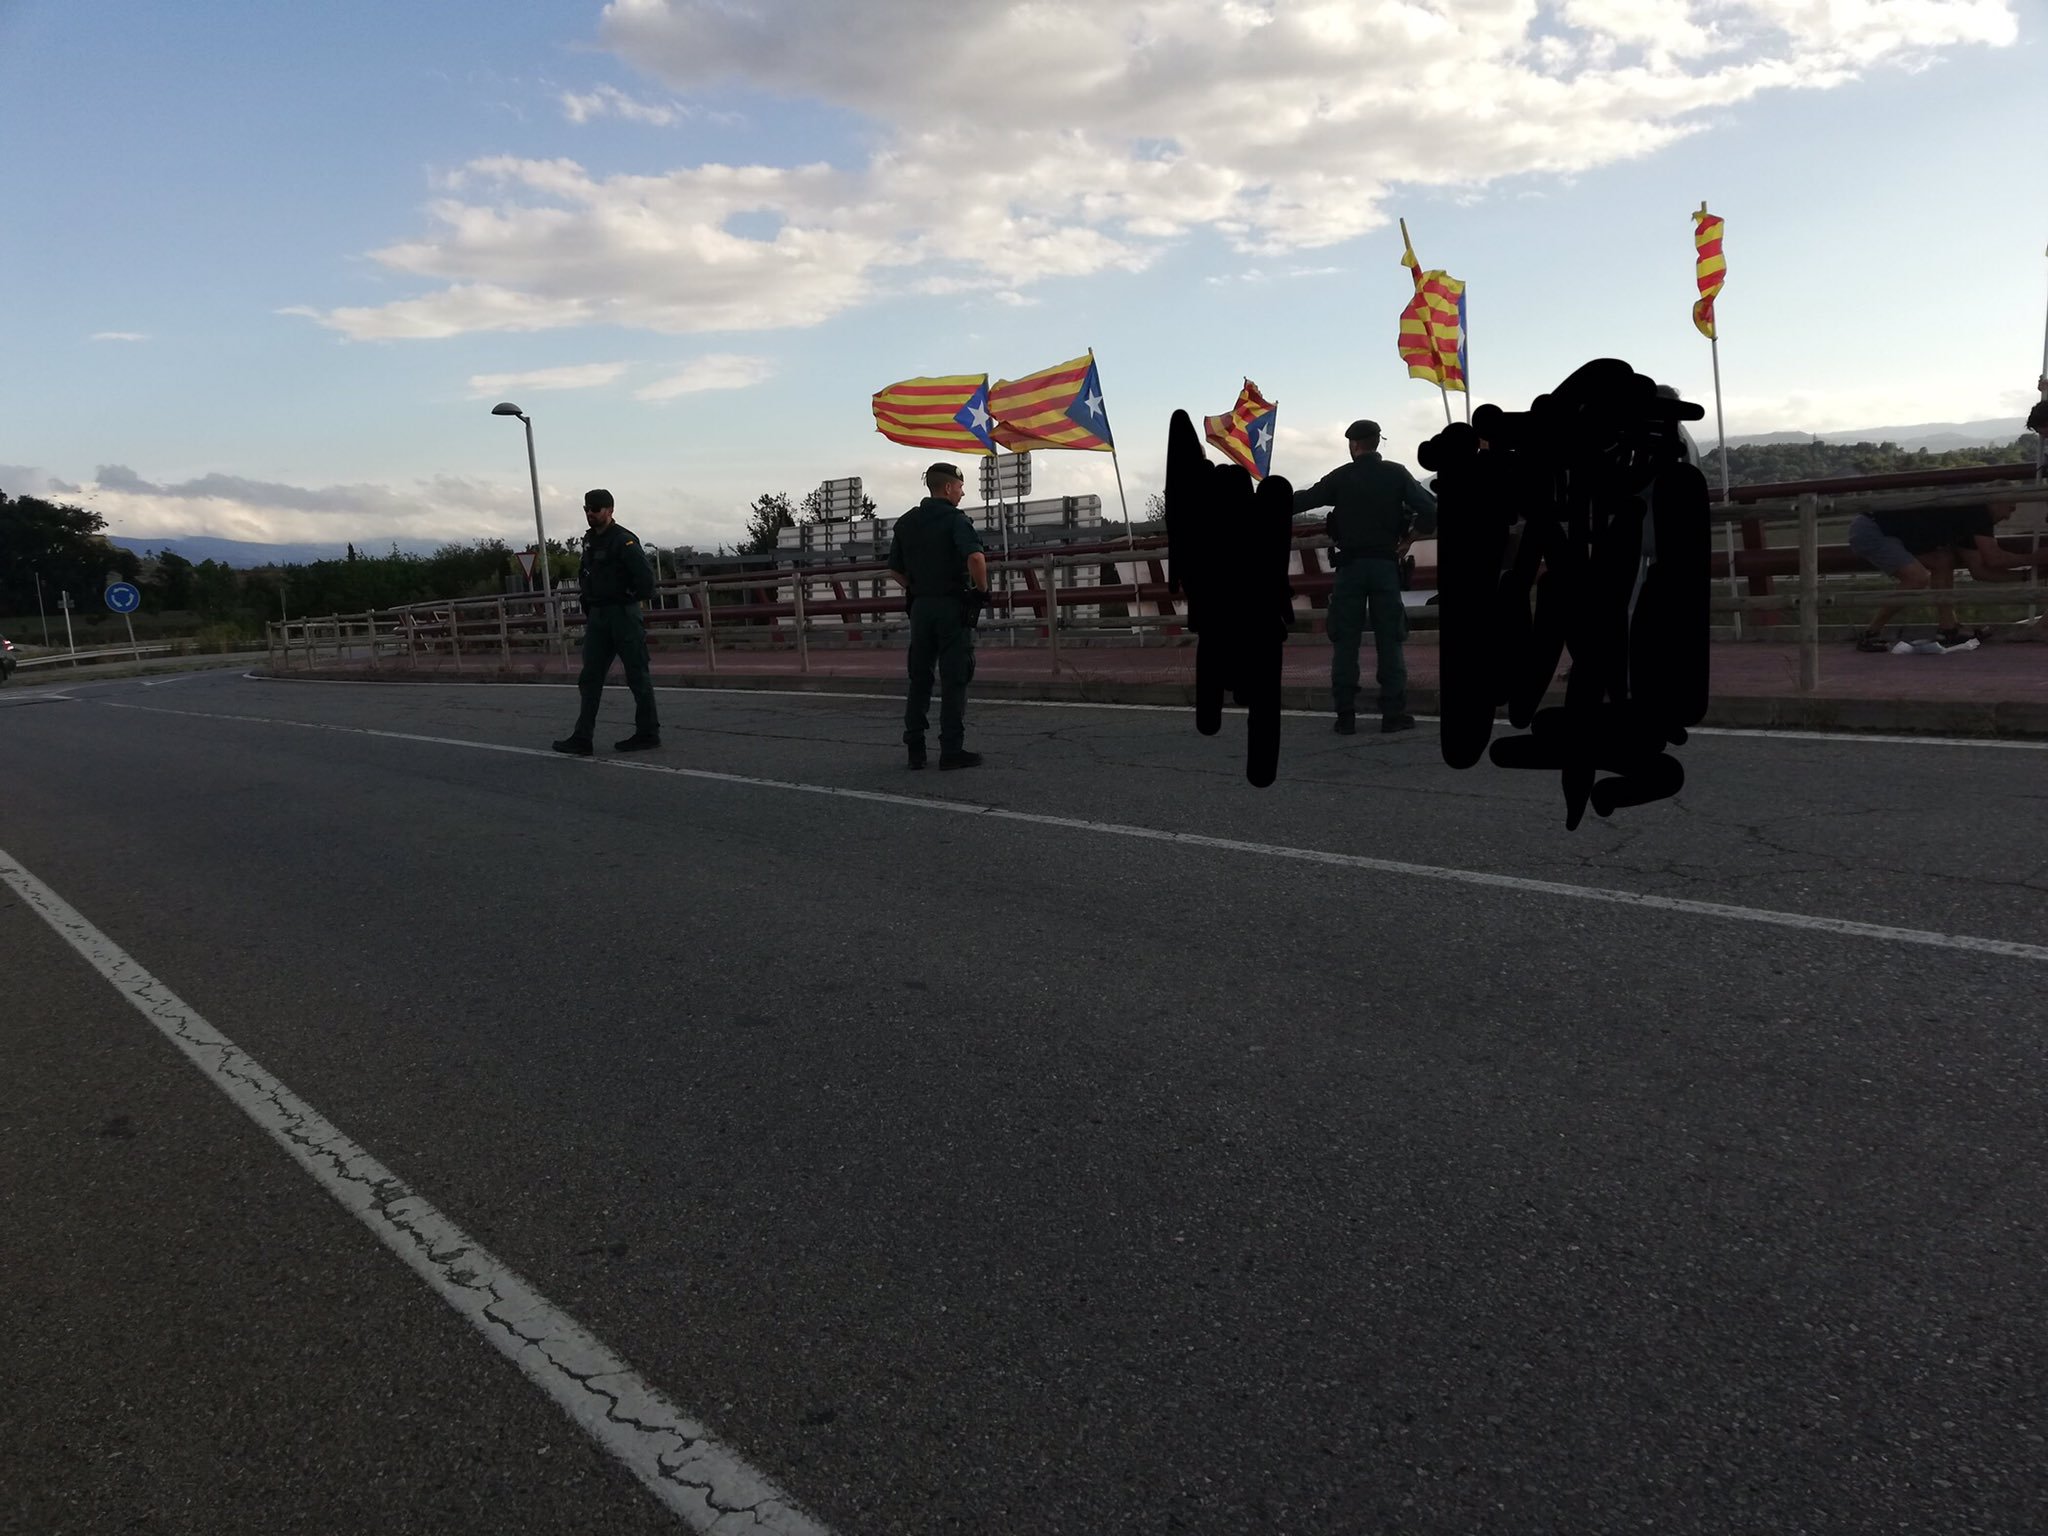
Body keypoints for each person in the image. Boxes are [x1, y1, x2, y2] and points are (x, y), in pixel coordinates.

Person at [1293, 419, 1438, 733]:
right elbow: (1430, 511)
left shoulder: (1341, 478)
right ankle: (1393, 714)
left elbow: (1304, 500)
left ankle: (1345, 715)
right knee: (1391, 640)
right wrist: (1410, 538)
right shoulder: (1396, 474)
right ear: (1377, 443)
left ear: (1353, 445)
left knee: (1345, 641)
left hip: (1349, 569)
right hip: (1386, 566)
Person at [886, 462, 990, 769]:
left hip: (920, 608)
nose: (962, 492)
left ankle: (915, 748)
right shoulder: (956, 520)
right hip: (950, 607)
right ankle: (951, 750)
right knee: (954, 677)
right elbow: (974, 557)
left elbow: (894, 569)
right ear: (947, 488)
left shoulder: (906, 522)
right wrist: (981, 591)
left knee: (920, 677)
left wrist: (916, 587)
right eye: (959, 487)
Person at [1849, 500, 2041, 651]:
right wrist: (2036, 559)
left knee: (1942, 560)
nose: (2008, 516)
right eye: (2010, 508)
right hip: (1873, 529)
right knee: (1917, 578)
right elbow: (1995, 559)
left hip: (1886, 529)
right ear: (1996, 501)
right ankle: (1870, 633)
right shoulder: (1978, 513)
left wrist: (2027, 575)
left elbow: (1979, 571)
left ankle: (1948, 628)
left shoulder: (1972, 517)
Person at [552, 489, 661, 755]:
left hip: (622, 614)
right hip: (599, 617)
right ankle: (582, 737)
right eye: (587, 508)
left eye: (596, 508)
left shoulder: (623, 541)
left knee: (637, 674)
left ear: (610, 510)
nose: (590, 513)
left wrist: (628, 598)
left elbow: (647, 582)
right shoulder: (590, 541)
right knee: (590, 678)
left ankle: (648, 733)